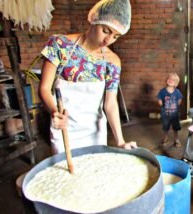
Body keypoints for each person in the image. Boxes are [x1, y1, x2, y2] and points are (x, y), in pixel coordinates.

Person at [39, 0, 137, 154]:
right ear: (94, 19)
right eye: (106, 31)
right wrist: (54, 111)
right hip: (63, 128)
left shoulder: (112, 62)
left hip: (95, 132)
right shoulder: (60, 45)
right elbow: (44, 88)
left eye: (115, 36)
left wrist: (120, 141)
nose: (108, 40)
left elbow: (110, 103)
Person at [157, 72, 183, 147]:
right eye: (169, 79)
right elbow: (159, 98)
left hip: (174, 114)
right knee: (165, 126)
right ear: (166, 80)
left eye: (173, 80)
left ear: (176, 83)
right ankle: (165, 137)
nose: (171, 80)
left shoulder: (177, 91)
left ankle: (176, 139)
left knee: (175, 127)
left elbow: (180, 99)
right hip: (165, 113)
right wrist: (160, 102)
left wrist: (177, 105)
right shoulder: (162, 91)